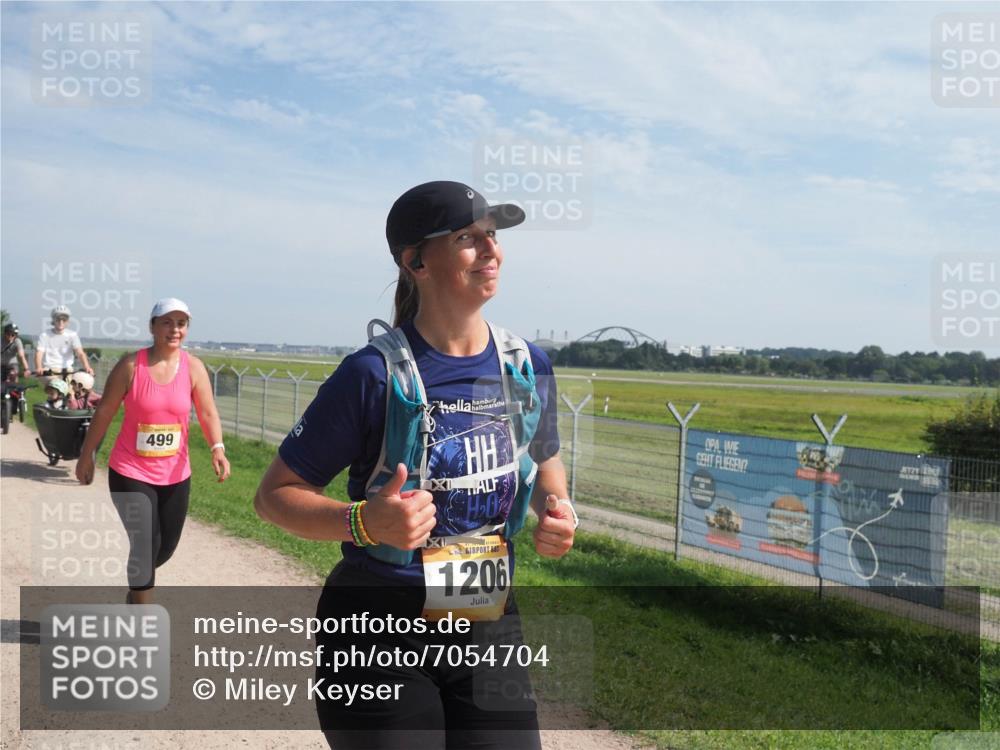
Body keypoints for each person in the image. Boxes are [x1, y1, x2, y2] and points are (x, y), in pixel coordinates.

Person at [255, 181, 577, 750]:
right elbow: (275, 494)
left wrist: (557, 506)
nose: (491, 250)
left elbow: (543, 454)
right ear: (416, 262)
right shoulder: (371, 376)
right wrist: (364, 522)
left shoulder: (525, 364)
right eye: (467, 238)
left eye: (492, 237)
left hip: (485, 618)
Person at [75, 298, 231, 604]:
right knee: (145, 542)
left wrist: (218, 448)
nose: (175, 330)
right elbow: (104, 412)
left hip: (175, 473)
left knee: (165, 546)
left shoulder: (194, 368)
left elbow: (208, 412)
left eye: (181, 323)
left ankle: (137, 591)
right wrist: (86, 454)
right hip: (130, 470)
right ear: (152, 326)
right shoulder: (130, 366)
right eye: (167, 322)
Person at [34, 305, 93, 379]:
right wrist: (39, 367)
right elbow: (39, 353)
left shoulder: (72, 335)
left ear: (68, 321)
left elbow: (80, 353)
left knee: (84, 383)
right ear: (53, 320)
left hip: (67, 370)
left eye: (64, 320)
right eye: (58, 319)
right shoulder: (45, 335)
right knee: (57, 386)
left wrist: (87, 367)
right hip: (50, 370)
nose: (61, 322)